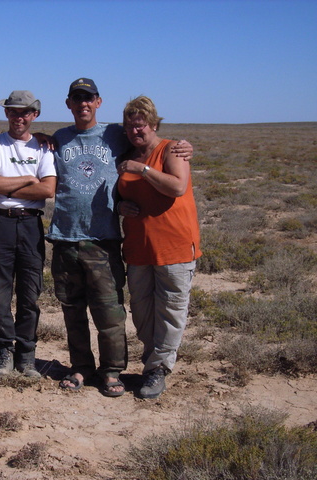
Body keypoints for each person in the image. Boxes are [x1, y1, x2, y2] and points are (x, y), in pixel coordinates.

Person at [47, 78, 192, 397]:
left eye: (89, 98)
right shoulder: (58, 138)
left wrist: (183, 145)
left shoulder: (116, 134)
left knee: (110, 310)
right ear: (68, 103)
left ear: (98, 102)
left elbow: (149, 142)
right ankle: (81, 367)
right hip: (65, 238)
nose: (83, 103)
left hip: (103, 240)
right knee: (72, 310)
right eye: (77, 98)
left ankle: (112, 371)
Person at [116, 96, 201, 399]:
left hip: (174, 246)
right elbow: (120, 193)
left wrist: (143, 170)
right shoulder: (126, 155)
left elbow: (177, 186)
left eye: (140, 127)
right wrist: (121, 204)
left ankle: (158, 369)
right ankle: (154, 361)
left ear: (154, 124)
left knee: (170, 312)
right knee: (142, 312)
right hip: (139, 248)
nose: (135, 132)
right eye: (129, 127)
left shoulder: (171, 150)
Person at [0, 90, 56, 378]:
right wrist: (27, 179)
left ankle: (26, 353)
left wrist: (5, 184)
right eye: (12, 111)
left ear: (34, 115)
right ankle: (3, 351)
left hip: (31, 224)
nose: (18, 117)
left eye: (24, 112)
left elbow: (47, 190)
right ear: (6, 113)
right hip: (0, 224)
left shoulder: (43, 148)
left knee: (29, 292)